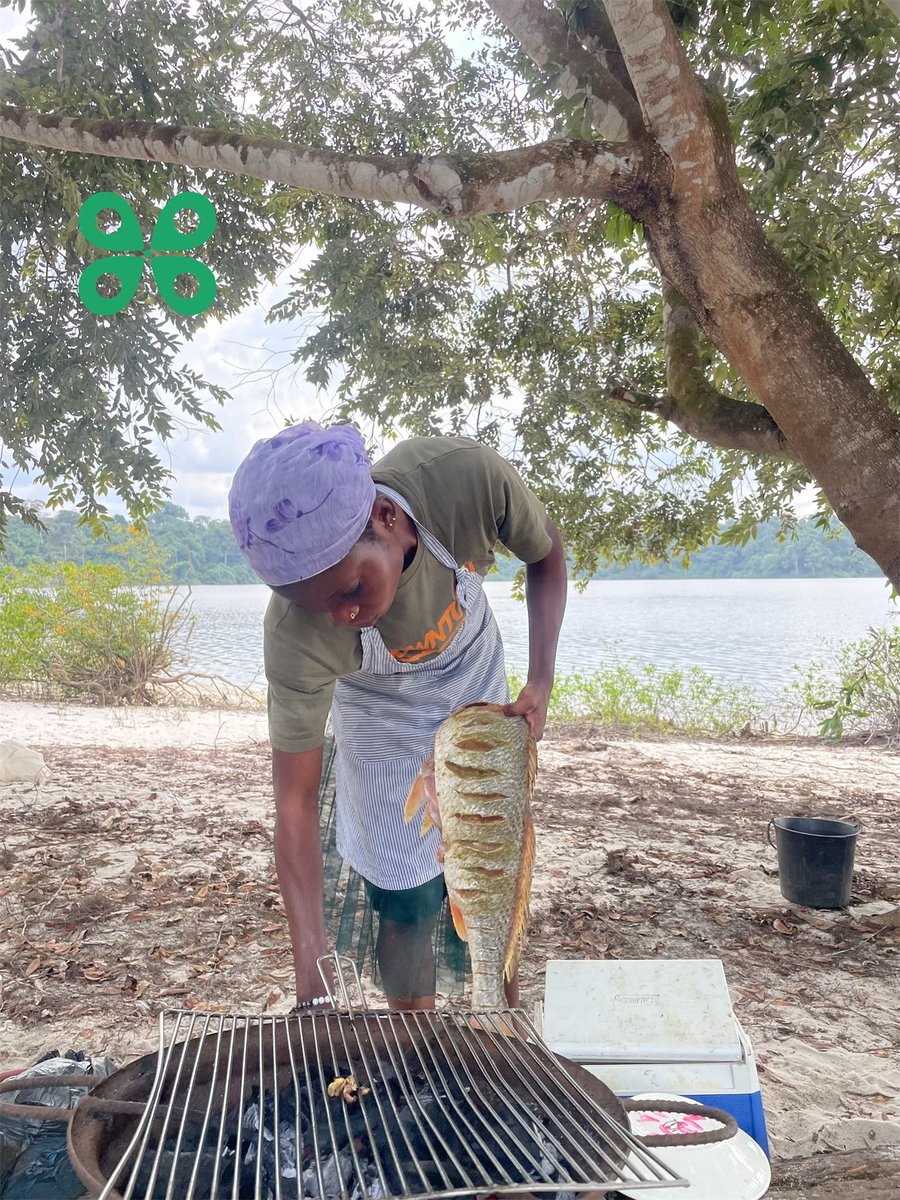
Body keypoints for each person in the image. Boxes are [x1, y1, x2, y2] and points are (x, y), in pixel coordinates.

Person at [228, 421, 567, 1011]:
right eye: (319, 606)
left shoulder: (461, 479)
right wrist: (312, 982)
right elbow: (294, 801)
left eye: (352, 587)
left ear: (386, 517)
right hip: (377, 710)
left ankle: (505, 1018)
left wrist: (540, 679)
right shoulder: (296, 635)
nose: (343, 615)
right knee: (403, 896)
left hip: (472, 677)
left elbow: (547, 553)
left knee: (492, 862)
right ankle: (413, 1043)